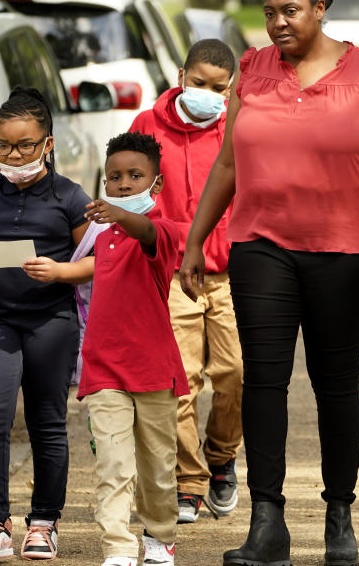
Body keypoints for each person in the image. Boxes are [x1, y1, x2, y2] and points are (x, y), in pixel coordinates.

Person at [179, 0, 359, 566]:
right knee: (264, 381)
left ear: (320, 8)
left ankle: (339, 516)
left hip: (344, 253)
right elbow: (229, 167)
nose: (277, 22)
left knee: (335, 385)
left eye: (289, 10)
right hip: (261, 247)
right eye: (268, 12)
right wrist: (194, 242)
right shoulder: (252, 73)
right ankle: (268, 524)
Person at [0, 87, 92, 561]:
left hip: (51, 321)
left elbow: (100, 262)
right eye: (3, 146)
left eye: (25, 146)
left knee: (46, 422)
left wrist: (61, 271)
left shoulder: (70, 198)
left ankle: (44, 523)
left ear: (47, 145)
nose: (13, 155)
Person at [129, 39, 244, 524]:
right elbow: (127, 192)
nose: (208, 94)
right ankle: (190, 479)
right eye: (199, 84)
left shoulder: (237, 126)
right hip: (173, 274)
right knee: (180, 383)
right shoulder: (146, 127)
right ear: (181, 77)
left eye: (220, 88)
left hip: (229, 274)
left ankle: (222, 458)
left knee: (235, 373)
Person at [76, 132, 188, 566]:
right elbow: (86, 271)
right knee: (113, 466)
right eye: (114, 177)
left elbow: (143, 229)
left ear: (156, 185)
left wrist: (120, 215)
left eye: (135, 176)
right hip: (103, 370)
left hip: (154, 370)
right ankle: (118, 548)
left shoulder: (161, 231)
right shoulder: (99, 237)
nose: (122, 183)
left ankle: (160, 536)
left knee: (158, 469)